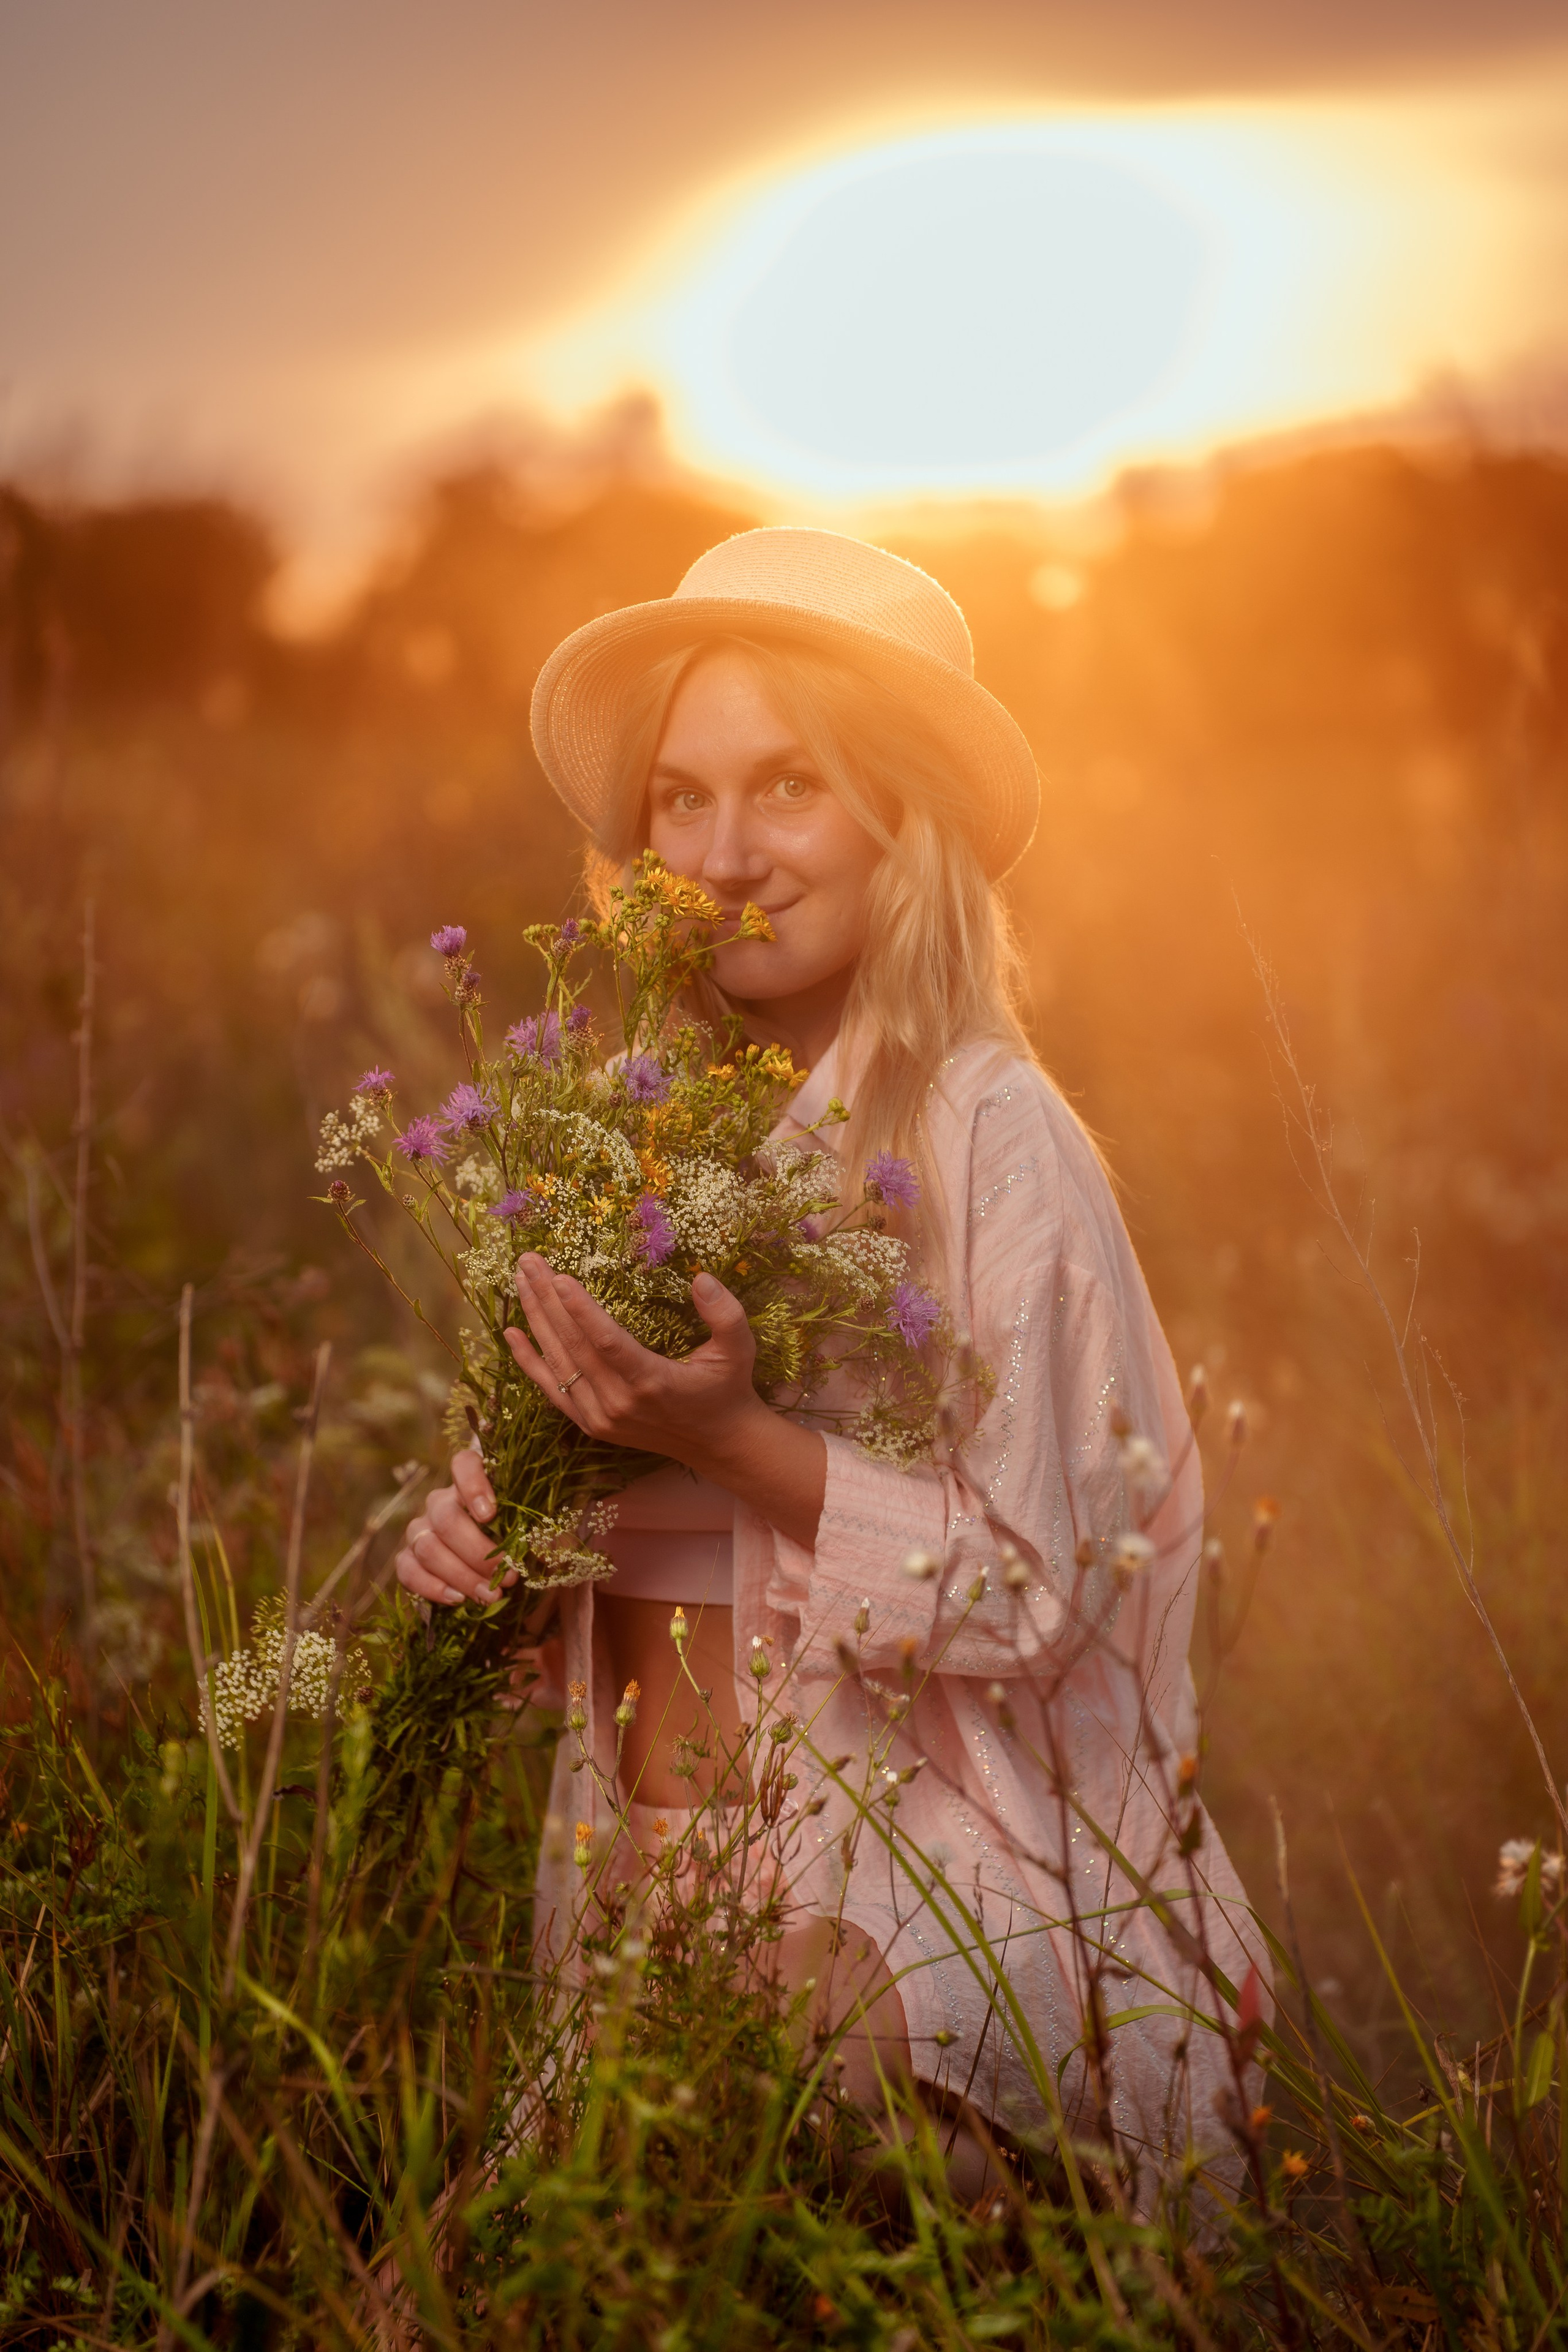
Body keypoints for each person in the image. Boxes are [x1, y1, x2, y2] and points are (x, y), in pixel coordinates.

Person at [393, 527, 1264, 2184]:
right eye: (682, 798)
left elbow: (1040, 1593)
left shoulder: (989, 1134)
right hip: (699, 1879)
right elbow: (662, 1660)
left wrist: (735, 1444)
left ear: (899, 819)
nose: (726, 855)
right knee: (532, 2225)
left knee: (740, 2070)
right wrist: (504, 1565)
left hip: (973, 1885)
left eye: (789, 785)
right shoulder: (625, 1154)